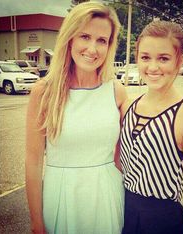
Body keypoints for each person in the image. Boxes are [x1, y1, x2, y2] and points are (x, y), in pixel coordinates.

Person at [25, 2, 127, 233]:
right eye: (85, 36)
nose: (92, 48)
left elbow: (124, 155)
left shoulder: (116, 91)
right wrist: (36, 221)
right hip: (61, 197)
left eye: (102, 40)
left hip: (107, 197)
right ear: (70, 38)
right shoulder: (43, 91)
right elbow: (33, 162)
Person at [120, 20, 183, 234]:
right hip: (123, 212)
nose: (152, 67)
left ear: (179, 61)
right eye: (145, 57)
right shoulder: (128, 105)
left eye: (163, 58)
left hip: (162, 221)